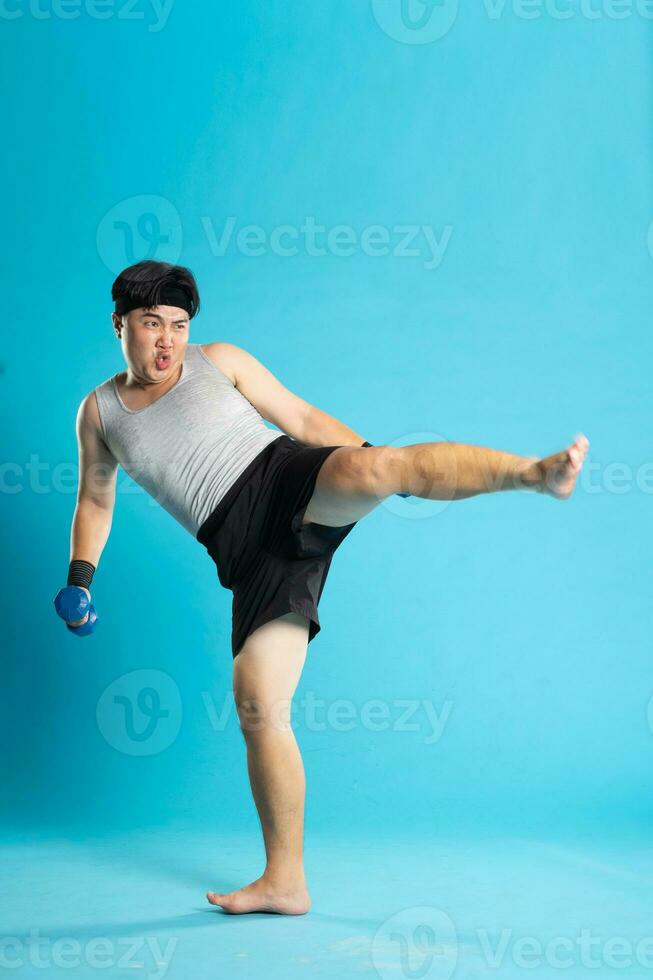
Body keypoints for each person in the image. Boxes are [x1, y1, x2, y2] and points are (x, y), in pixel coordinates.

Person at [57, 259, 589, 916]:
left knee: (384, 464)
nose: (167, 341)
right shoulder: (100, 413)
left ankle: (535, 474)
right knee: (256, 703)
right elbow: (96, 502)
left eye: (178, 324)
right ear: (120, 327)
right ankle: (285, 881)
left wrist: (368, 468)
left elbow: (301, 417)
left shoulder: (218, 360)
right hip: (249, 555)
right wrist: (80, 579)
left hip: (282, 479)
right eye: (150, 325)